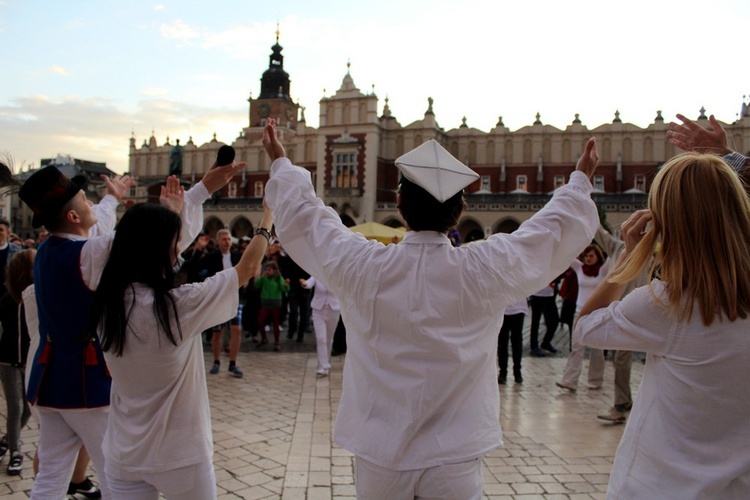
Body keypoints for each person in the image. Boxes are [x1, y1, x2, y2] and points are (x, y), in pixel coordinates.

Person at [262, 118, 600, 498]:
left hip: (380, 450)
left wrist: (282, 164)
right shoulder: (483, 268)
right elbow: (547, 235)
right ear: (459, 209)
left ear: (400, 203)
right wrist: (579, 183)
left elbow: (311, 222)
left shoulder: (363, 266)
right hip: (453, 453)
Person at [17, 159, 241, 498]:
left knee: (50, 475)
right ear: (74, 216)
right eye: (83, 199)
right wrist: (200, 191)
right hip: (85, 384)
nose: (90, 202)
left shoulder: (46, 251)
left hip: (48, 382)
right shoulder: (88, 254)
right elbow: (148, 244)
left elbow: (105, 228)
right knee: (115, 475)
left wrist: (111, 199)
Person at [576, 152, 750, 498]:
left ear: (667, 223)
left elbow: (586, 327)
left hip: (660, 485)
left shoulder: (670, 304)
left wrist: (628, 257)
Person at [89, 200, 273, 499]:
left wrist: (173, 214)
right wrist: (268, 217)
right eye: (174, 244)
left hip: (123, 452)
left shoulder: (105, 303)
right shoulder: (177, 307)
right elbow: (249, 267)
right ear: (159, 250)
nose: (178, 252)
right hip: (180, 455)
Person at [556, 244, 610, 391]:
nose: (588, 258)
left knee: (597, 349)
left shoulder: (603, 270)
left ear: (597, 256)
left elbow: (613, 255)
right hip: (579, 313)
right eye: (586, 256)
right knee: (576, 347)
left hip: (597, 315)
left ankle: (595, 380)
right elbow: (567, 255)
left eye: (591, 256)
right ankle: (569, 380)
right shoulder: (580, 268)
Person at [193, 229, 245, 377]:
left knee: (236, 329)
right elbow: (196, 268)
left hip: (235, 296)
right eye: (224, 239)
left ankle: (233, 363)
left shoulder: (237, 256)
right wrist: (198, 250)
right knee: (217, 331)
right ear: (218, 241)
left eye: (229, 239)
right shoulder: (211, 257)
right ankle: (216, 361)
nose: (227, 242)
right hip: (218, 298)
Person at [0, 249, 34, 475]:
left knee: (30, 407)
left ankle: (5, 440)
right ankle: (15, 451)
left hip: (31, 361)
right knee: (15, 407)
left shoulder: (39, 295)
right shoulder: (7, 298)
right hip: (8, 360)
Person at [300, 276, 340, 377]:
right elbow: (309, 283)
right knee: (321, 338)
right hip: (318, 310)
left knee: (329, 339)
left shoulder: (336, 275)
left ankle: (325, 362)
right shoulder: (317, 275)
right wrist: (304, 283)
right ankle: (323, 366)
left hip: (333, 310)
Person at [253, 261, 290, 351]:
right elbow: (256, 285)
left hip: (275, 303)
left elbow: (285, 289)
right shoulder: (264, 278)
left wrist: (286, 285)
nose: (267, 271)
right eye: (266, 269)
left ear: (274, 270)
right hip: (265, 303)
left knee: (275, 323)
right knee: (260, 321)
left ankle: (277, 342)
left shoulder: (278, 278)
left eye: (269, 270)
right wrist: (261, 277)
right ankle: (264, 338)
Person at [497, 298, 527, 384]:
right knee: (502, 343)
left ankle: (517, 371)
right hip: (502, 310)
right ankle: (503, 372)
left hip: (519, 309)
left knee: (517, 342)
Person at [528, 283, 559, 356]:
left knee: (555, 320)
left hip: (549, 294)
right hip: (537, 295)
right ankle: (534, 346)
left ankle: (546, 342)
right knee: (535, 322)